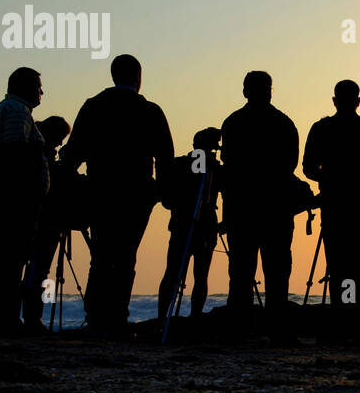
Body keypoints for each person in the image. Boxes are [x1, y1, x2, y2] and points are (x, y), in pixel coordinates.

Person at [61, 54, 174, 337]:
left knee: (100, 255)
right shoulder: (149, 110)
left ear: (114, 76)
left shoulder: (93, 106)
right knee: (125, 256)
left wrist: (69, 182)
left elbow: (74, 152)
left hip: (100, 190)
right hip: (137, 194)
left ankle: (96, 317)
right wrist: (163, 192)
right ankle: (117, 317)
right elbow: (165, 156)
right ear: (138, 76)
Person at [302, 80, 360, 345]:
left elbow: (308, 167)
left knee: (341, 268)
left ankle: (345, 322)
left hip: (337, 210)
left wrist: (329, 179)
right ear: (358, 101)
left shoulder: (322, 129)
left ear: (335, 101)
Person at [220, 71, 300, 343]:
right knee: (277, 272)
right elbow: (290, 165)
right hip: (276, 209)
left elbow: (229, 165)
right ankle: (277, 330)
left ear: (245, 91)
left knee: (240, 272)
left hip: (242, 209)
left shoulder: (233, 123)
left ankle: (239, 328)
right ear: (270, 92)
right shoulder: (284, 123)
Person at [0, 67, 48, 336]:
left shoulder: (13, 110)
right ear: (25, 87)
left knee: (7, 257)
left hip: (2, 196)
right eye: (38, 86)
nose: (41, 91)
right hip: (6, 198)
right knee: (8, 258)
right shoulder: (15, 111)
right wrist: (24, 198)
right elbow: (16, 156)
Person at [158, 127, 222, 323]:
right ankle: (167, 318)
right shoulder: (197, 166)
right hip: (189, 226)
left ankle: (174, 318)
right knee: (180, 274)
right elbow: (194, 179)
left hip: (194, 227)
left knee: (191, 275)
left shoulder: (205, 168)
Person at [21, 115, 72, 332]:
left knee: (38, 272)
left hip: (41, 220)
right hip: (45, 221)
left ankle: (33, 317)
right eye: (60, 138)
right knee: (41, 273)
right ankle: (34, 318)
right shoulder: (41, 156)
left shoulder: (36, 149)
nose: (60, 144)